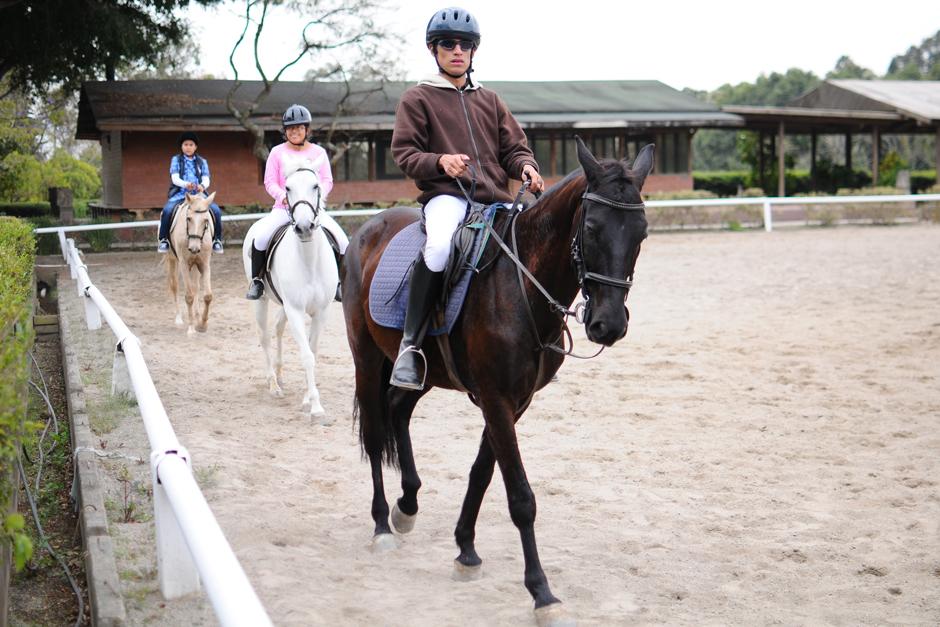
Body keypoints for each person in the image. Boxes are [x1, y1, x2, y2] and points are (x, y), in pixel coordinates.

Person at [389, 6, 545, 390]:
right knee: (440, 247)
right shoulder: (418, 98)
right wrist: (440, 161)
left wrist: (525, 166)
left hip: (496, 197)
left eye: (465, 44)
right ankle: (411, 347)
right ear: (433, 49)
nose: (457, 50)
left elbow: (514, 149)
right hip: (448, 196)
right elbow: (405, 154)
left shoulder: (490, 100)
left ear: (474, 51)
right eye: (447, 44)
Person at [245, 104, 349, 300]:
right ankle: (257, 281)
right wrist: (282, 196)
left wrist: (317, 199)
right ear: (285, 131)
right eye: (291, 128)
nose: (295, 132)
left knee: (342, 241)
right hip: (283, 208)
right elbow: (269, 182)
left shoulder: (318, 152)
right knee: (260, 239)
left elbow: (327, 180)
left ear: (306, 130)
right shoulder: (277, 152)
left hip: (313, 210)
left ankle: (338, 282)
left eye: (299, 128)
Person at [157, 131, 224, 253]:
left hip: (199, 196)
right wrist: (186, 184)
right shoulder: (176, 160)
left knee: (216, 211)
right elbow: (175, 178)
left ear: (195, 147)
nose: (188, 147)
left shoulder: (202, 161)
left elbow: (206, 178)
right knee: (167, 211)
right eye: (186, 144)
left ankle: (217, 240)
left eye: (191, 144)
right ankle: (164, 239)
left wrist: (202, 186)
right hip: (181, 194)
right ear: (182, 146)